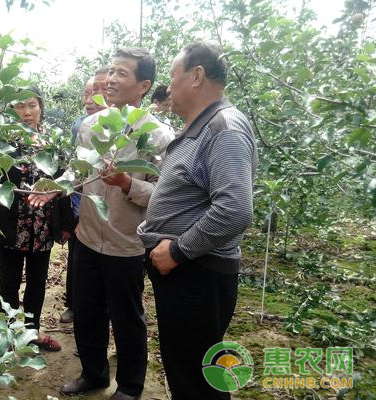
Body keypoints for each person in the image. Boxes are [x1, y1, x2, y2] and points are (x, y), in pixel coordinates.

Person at [32, 48, 174, 400]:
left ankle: (129, 386)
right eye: (110, 71)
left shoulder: (158, 136)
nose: (110, 79)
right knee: (88, 310)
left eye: (121, 73)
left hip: (126, 243)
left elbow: (164, 197)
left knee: (127, 319)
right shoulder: (92, 126)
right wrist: (57, 187)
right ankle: (93, 374)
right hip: (88, 236)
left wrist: (128, 184)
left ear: (144, 85)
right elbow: (78, 172)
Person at [137, 41, 258, 400]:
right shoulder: (201, 128)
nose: (169, 87)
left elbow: (235, 208)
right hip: (186, 273)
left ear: (197, 76)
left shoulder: (225, 128)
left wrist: (176, 250)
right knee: (184, 367)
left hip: (196, 272)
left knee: (197, 377)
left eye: (173, 77)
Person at [0, 87, 74, 352]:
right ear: (10, 111)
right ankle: (6, 334)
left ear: (40, 108)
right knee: (8, 281)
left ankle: (31, 331)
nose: (27, 112)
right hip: (10, 225)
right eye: (19, 106)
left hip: (42, 227)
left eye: (31, 105)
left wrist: (66, 223)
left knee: (37, 282)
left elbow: (63, 184)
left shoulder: (52, 145)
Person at [61, 67, 109, 324]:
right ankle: (75, 305)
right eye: (87, 93)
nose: (89, 99)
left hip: (117, 227)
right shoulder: (81, 126)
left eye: (97, 91)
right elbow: (77, 171)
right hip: (85, 209)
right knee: (79, 261)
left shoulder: (129, 127)